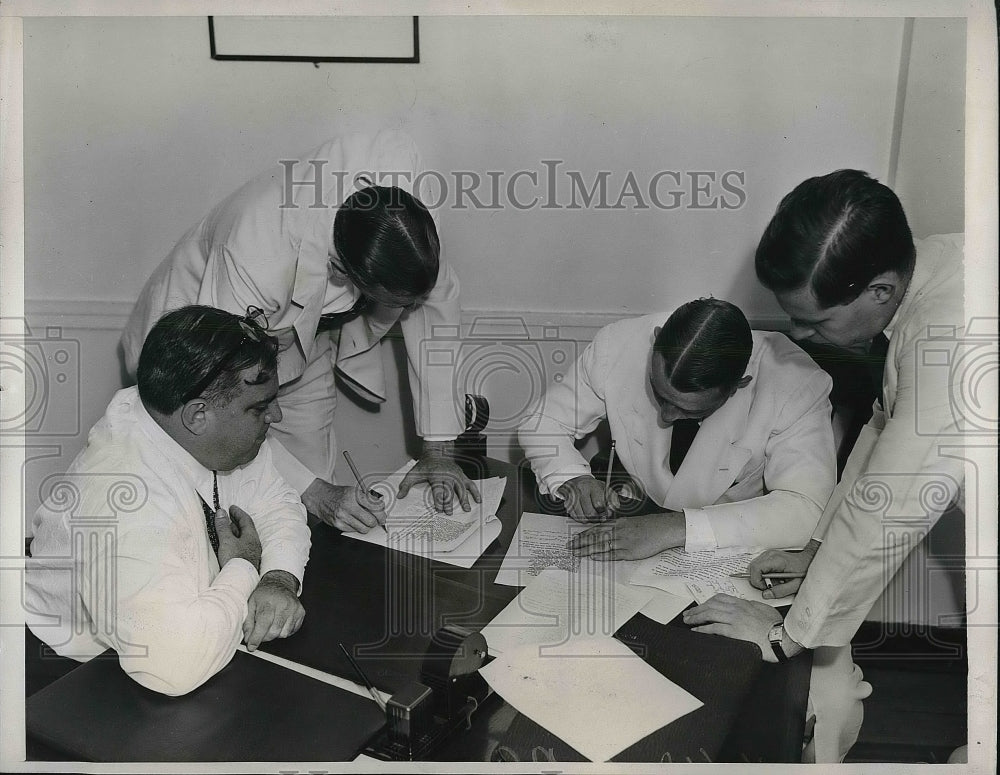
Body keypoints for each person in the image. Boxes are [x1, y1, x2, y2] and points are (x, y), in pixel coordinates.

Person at [684, 169, 965, 762]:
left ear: (880, 291)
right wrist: (815, 546)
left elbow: (890, 504)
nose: (801, 334)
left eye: (816, 321)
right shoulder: (926, 268)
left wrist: (784, 637)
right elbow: (883, 434)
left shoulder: (951, 336)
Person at [120, 130, 480, 533]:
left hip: (300, 332)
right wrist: (316, 493)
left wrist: (438, 451)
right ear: (344, 273)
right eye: (396, 303)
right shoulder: (256, 249)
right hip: (200, 344)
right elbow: (224, 402)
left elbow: (433, 310)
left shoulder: (404, 196)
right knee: (224, 491)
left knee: (312, 486)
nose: (406, 311)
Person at [26, 305, 312, 696]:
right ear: (198, 416)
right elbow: (172, 667)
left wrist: (277, 579)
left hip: (170, 630)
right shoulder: (125, 495)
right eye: (260, 407)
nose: (275, 416)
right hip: (70, 669)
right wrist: (245, 565)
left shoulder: (191, 422)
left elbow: (277, 503)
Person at [518, 297, 837, 559]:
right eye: (659, 393)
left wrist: (674, 528)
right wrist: (571, 478)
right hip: (632, 510)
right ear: (656, 339)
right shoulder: (617, 345)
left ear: (739, 385)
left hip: (725, 540)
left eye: (688, 409)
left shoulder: (795, 382)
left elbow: (804, 509)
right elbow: (542, 421)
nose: (666, 416)